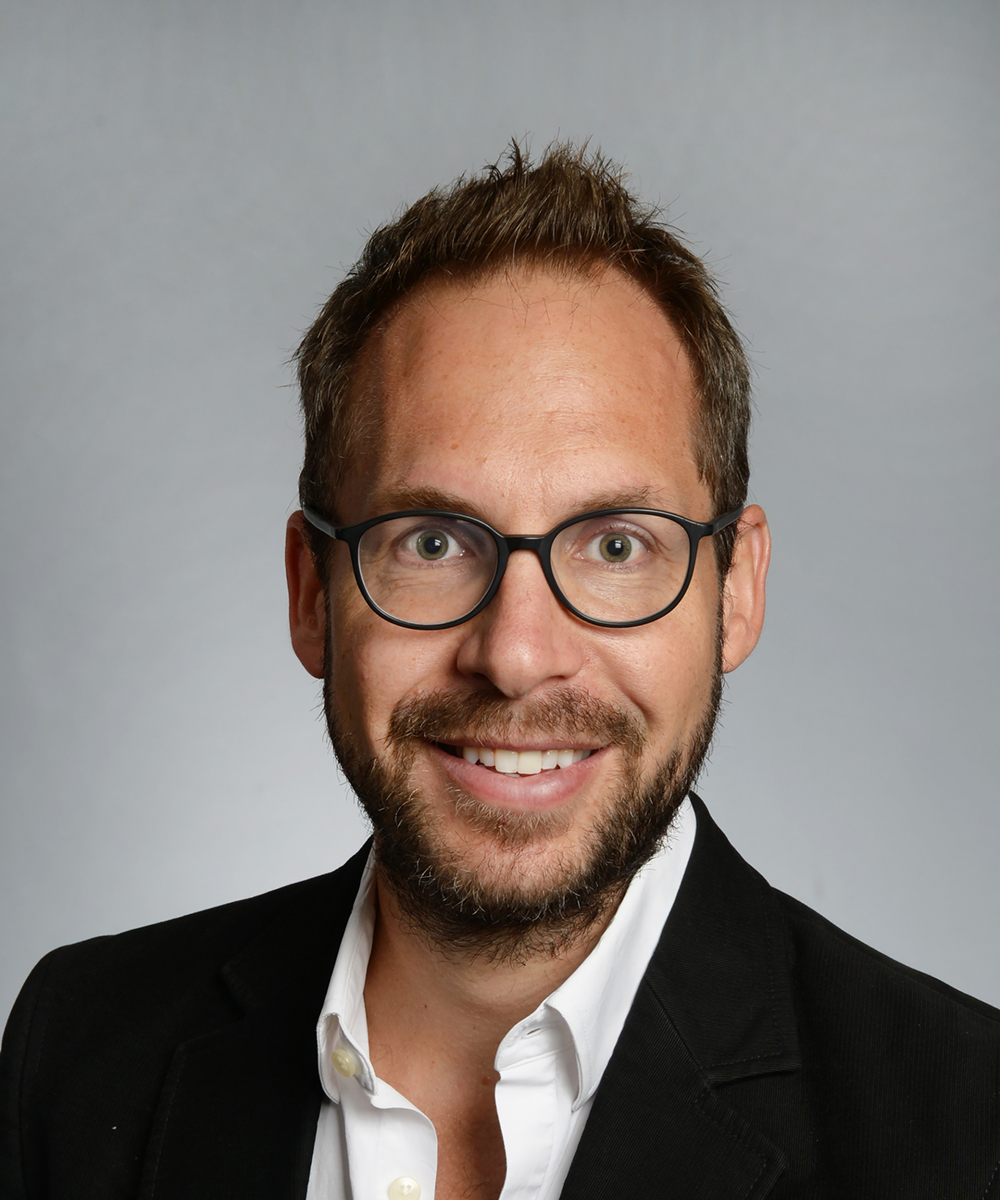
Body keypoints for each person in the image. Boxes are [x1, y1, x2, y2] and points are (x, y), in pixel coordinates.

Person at [2, 143, 998, 1200]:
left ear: (736, 590)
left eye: (615, 545)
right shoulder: (78, 1052)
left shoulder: (965, 1135)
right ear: (311, 593)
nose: (518, 657)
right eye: (431, 542)